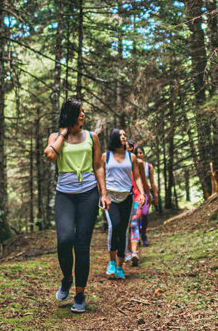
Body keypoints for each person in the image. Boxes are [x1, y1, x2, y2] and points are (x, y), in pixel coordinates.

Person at [43, 97, 110, 313]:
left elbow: (98, 165)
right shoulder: (56, 137)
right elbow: (50, 155)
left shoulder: (92, 137)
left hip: (88, 194)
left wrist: (103, 193)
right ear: (70, 114)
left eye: (83, 111)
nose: (83, 115)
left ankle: (80, 294)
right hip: (65, 195)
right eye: (80, 111)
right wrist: (62, 134)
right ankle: (67, 278)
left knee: (82, 245)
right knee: (64, 240)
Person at [104, 129, 145, 280]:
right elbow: (100, 176)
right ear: (114, 137)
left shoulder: (131, 157)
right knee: (114, 226)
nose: (123, 137)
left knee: (123, 230)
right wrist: (102, 194)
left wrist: (141, 193)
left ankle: (120, 266)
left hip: (127, 197)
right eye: (120, 135)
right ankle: (111, 262)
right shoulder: (106, 157)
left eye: (124, 135)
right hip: (111, 198)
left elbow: (137, 177)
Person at [124, 139, 145, 266]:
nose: (126, 148)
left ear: (132, 148)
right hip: (122, 197)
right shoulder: (116, 161)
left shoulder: (137, 162)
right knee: (124, 226)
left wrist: (145, 194)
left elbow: (142, 179)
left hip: (136, 196)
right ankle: (126, 252)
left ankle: (135, 252)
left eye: (129, 147)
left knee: (134, 223)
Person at [135, 145, 158, 246]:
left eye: (141, 153)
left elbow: (152, 182)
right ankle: (136, 236)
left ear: (143, 154)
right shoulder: (132, 165)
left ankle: (143, 234)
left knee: (144, 214)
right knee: (136, 215)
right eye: (137, 153)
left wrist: (155, 194)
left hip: (146, 191)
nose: (139, 155)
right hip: (135, 192)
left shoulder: (148, 166)